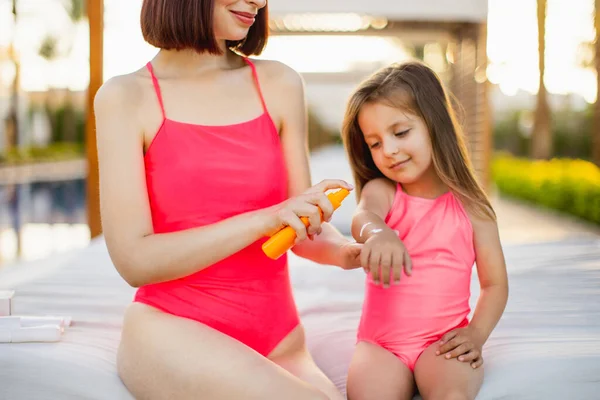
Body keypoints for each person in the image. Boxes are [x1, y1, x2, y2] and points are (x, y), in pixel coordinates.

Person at [93, 1, 362, 398]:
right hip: (171, 331)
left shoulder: (280, 83)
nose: (260, 2)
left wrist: (351, 252)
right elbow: (135, 261)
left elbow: (301, 231)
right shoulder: (124, 96)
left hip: (279, 337)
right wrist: (265, 219)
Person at [341, 61, 509, 400]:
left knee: (451, 395)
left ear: (435, 125)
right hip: (381, 345)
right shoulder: (383, 192)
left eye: (400, 132)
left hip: (443, 343)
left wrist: (475, 335)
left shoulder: (473, 208)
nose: (388, 150)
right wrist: (378, 233)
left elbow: (495, 284)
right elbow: (363, 217)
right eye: (374, 143)